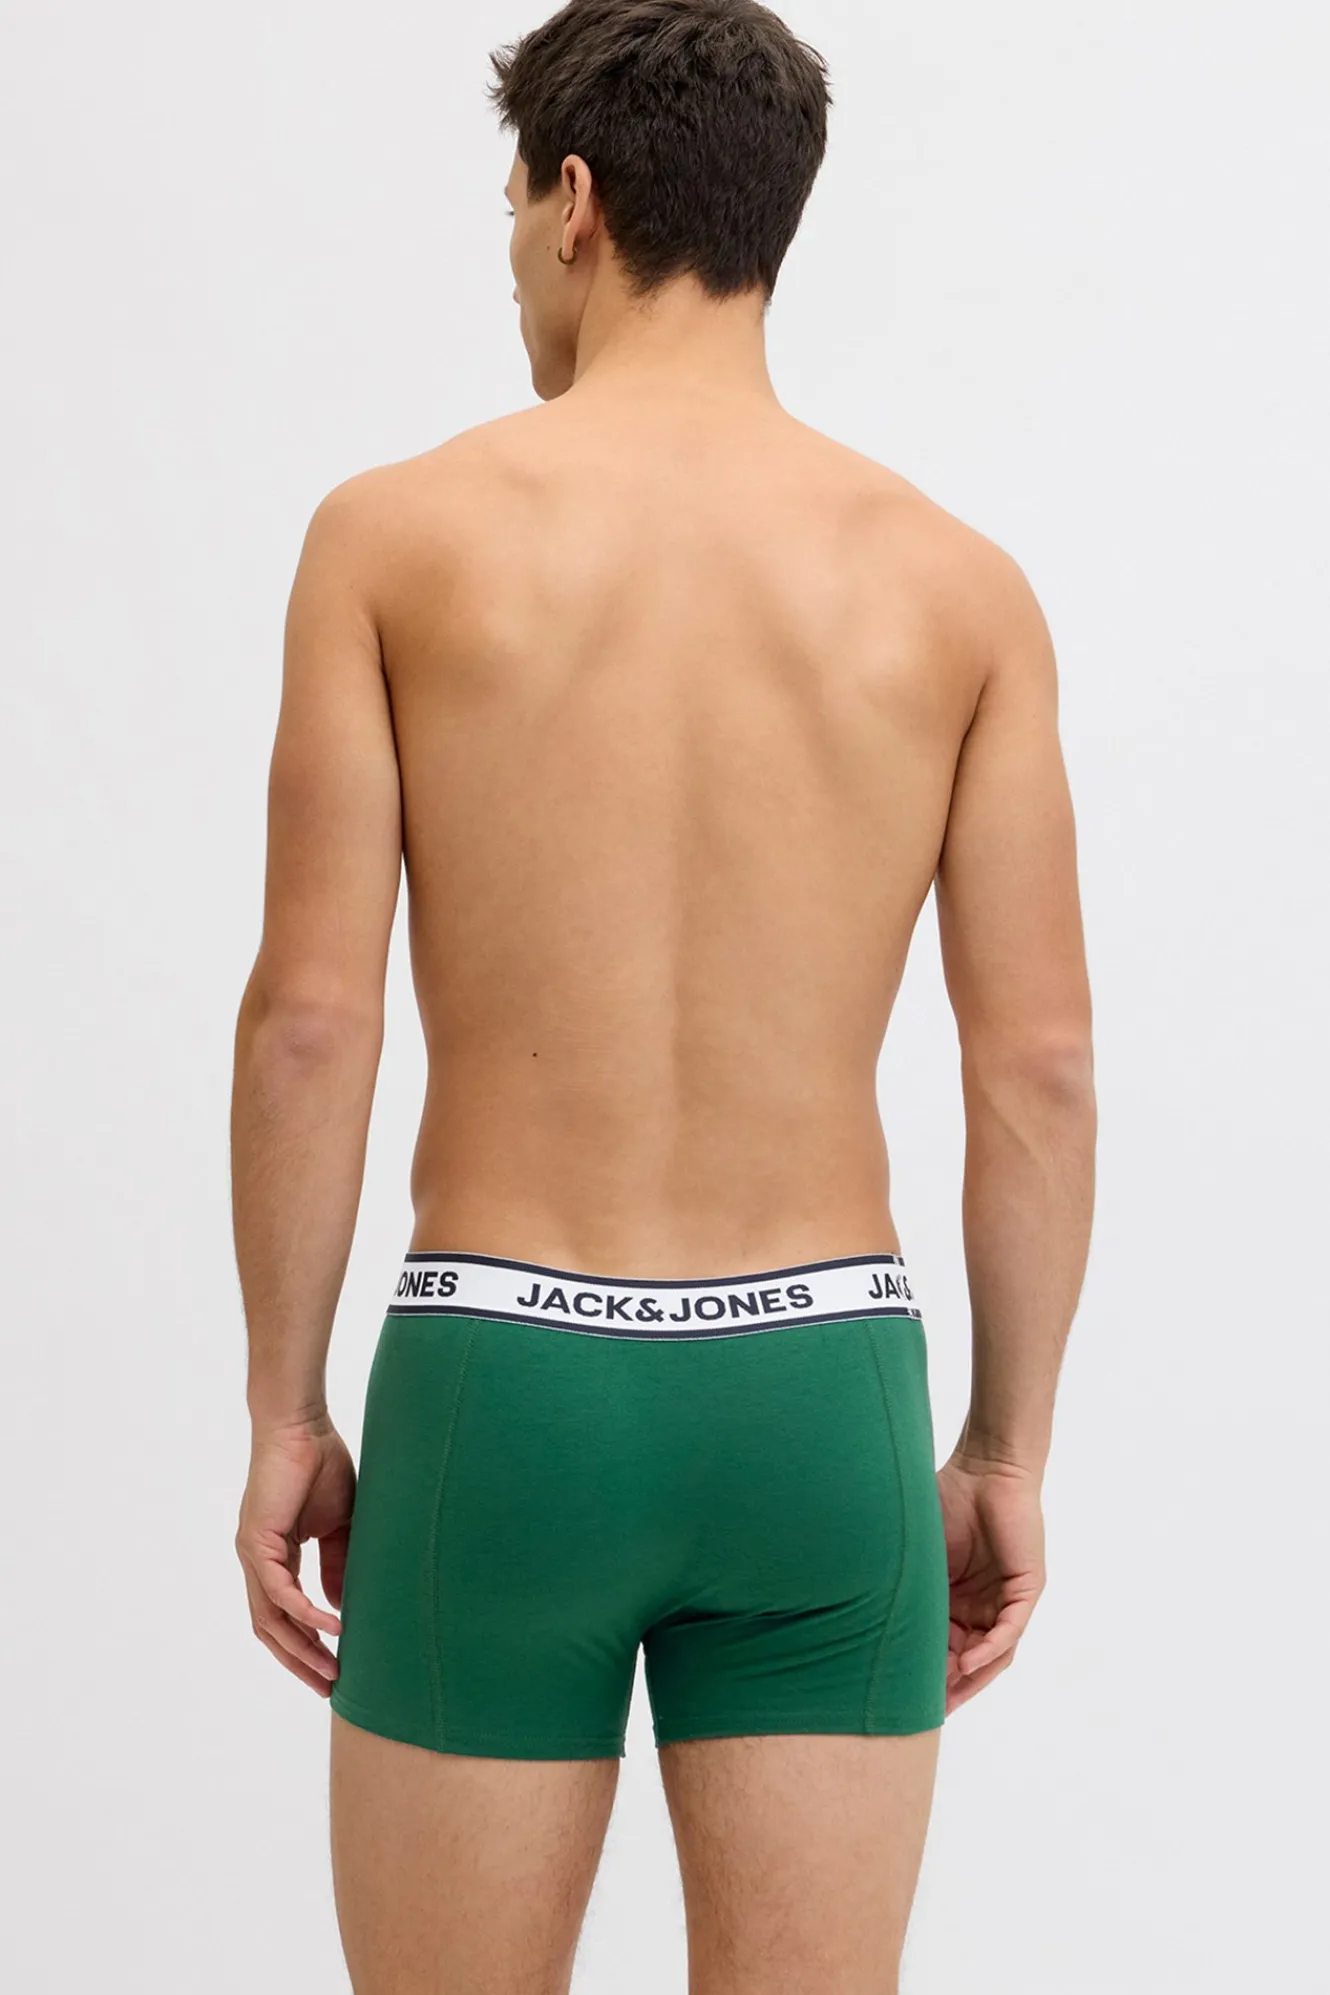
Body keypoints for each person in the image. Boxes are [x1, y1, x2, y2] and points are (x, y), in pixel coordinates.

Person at [230, 1, 1096, 1987]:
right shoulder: (956, 588)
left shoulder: (391, 539)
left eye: (508, 212)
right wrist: (1001, 1447)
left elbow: (310, 1017)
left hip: (504, 1384)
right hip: (818, 1394)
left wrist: (284, 1405)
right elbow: (1037, 1065)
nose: (510, 264)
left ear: (574, 203)